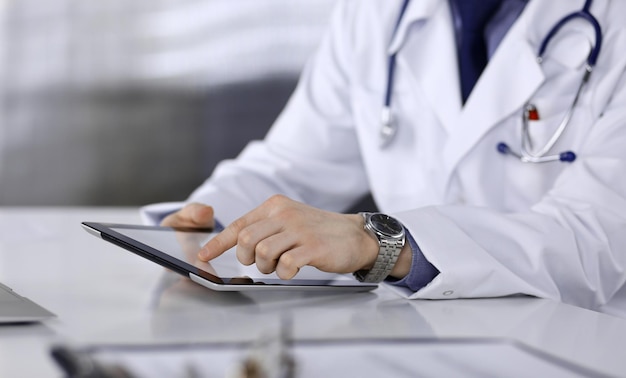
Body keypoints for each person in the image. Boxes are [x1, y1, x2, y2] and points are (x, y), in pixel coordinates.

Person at [142, 0, 626, 318]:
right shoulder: (379, 11)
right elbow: (291, 165)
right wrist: (210, 224)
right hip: (415, 340)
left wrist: (381, 243)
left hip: (579, 345)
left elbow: (595, 242)